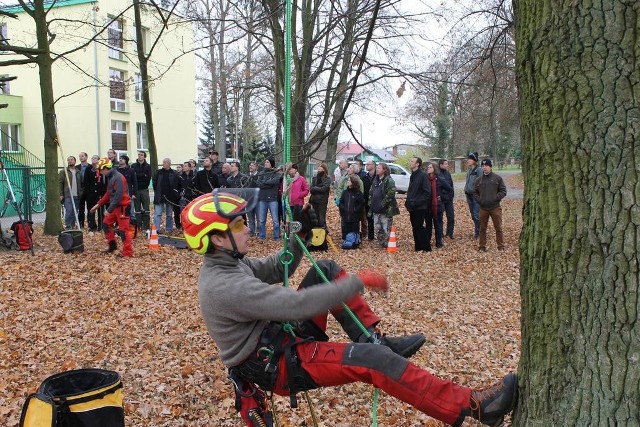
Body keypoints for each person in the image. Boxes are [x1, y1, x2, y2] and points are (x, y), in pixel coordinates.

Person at [181, 191, 518, 427]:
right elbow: (295, 303)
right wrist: (357, 281)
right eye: (238, 225)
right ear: (218, 238)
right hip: (278, 362)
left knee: (324, 268)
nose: (246, 229)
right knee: (374, 363)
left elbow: (273, 268)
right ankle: (474, 406)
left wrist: (296, 240)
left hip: (279, 340)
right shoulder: (224, 285)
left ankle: (374, 337)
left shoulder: (229, 263)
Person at [89, 158, 133, 257]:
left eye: (100, 170)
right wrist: (98, 205)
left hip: (123, 207)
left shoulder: (118, 178)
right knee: (105, 224)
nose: (100, 172)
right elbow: (109, 193)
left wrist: (108, 210)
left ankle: (128, 252)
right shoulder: (110, 177)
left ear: (106, 168)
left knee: (123, 230)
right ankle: (112, 245)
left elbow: (118, 196)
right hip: (115, 207)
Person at [473, 159, 507, 251]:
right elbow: (474, 193)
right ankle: (482, 247)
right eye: (483, 166)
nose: (484, 167)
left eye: (486, 165)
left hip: (495, 207)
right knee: (482, 229)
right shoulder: (478, 180)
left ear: (490, 167)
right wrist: (480, 200)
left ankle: (501, 246)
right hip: (483, 208)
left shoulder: (497, 178)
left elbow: (503, 191)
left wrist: (496, 198)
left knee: (498, 228)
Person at [368, 163, 400, 248]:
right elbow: (371, 192)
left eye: (379, 168)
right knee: (377, 228)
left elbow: (391, 193)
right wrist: (370, 203)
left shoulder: (389, 180)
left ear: (384, 170)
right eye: (377, 168)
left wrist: (382, 204)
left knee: (386, 228)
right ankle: (381, 243)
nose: (377, 169)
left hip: (386, 209)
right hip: (375, 209)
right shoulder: (375, 179)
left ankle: (388, 244)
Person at [405, 157, 431, 252]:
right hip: (412, 206)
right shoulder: (413, 175)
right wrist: (408, 202)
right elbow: (412, 190)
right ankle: (418, 247)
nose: (410, 162)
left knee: (419, 227)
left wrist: (417, 202)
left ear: (417, 164)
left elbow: (427, 192)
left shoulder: (423, 175)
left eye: (412, 161)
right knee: (415, 227)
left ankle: (426, 248)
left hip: (420, 206)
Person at [425, 162, 452, 249]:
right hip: (428, 206)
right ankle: (427, 242)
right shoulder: (426, 179)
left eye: (430, 167)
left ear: (434, 169)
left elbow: (450, 190)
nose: (428, 169)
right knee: (428, 225)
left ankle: (439, 242)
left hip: (437, 206)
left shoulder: (440, 179)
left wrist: (442, 197)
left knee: (438, 224)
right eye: (428, 167)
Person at [152, 158, 181, 233]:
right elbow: (154, 184)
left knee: (169, 214)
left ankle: (169, 229)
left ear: (169, 164)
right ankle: (156, 229)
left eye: (165, 162)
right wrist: (157, 192)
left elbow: (176, 185)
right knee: (157, 214)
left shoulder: (174, 173)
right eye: (163, 162)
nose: (163, 164)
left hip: (170, 197)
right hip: (159, 196)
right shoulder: (158, 172)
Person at [257, 157, 281, 240]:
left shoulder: (276, 173)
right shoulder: (261, 173)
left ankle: (276, 236)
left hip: (273, 199)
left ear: (271, 164)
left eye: (267, 162)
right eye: (265, 162)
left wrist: (265, 183)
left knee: (275, 220)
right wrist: (268, 184)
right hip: (262, 199)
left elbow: (275, 181)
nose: (265, 163)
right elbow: (259, 184)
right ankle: (262, 236)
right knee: (261, 220)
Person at [59, 155, 83, 229]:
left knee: (75, 211)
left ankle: (72, 225)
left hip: (77, 195)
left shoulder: (78, 172)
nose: (70, 161)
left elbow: (82, 183)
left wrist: (81, 193)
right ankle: (68, 225)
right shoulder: (64, 171)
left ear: (75, 161)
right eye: (68, 160)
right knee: (69, 210)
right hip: (68, 195)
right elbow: (60, 183)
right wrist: (61, 194)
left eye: (71, 159)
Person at [131, 151, 153, 232]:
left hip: (144, 189)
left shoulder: (148, 166)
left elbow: (147, 177)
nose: (140, 156)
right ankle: (139, 227)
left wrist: (139, 175)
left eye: (141, 155)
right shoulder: (133, 166)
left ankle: (146, 227)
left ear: (144, 157)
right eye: (139, 155)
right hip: (136, 190)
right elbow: (133, 177)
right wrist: (142, 175)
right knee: (137, 210)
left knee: (146, 209)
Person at [339, 175, 364, 240]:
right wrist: (343, 209)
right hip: (345, 216)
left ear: (353, 182)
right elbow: (341, 202)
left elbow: (361, 204)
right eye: (348, 180)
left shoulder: (358, 193)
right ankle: (345, 240)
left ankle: (355, 240)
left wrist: (355, 210)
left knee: (354, 231)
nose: (348, 181)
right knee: (345, 229)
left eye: (349, 180)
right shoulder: (345, 192)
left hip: (354, 217)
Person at [464, 152, 482, 239]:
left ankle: (479, 233)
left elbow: (481, 183)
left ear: (475, 160)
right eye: (468, 159)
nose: (468, 160)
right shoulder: (469, 170)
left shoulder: (479, 170)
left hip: (476, 196)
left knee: (476, 214)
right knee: (472, 214)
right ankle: (478, 230)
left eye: (470, 159)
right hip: (469, 195)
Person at [309, 162, 331, 227]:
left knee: (321, 218)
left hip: (322, 201)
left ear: (324, 169)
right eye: (318, 168)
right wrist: (318, 189)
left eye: (320, 168)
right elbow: (311, 189)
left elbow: (324, 189)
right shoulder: (314, 178)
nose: (318, 169)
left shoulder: (327, 179)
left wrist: (315, 188)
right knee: (315, 218)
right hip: (314, 200)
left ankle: (323, 231)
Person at [83, 155, 101, 232]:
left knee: (100, 211)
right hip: (90, 193)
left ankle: (101, 226)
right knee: (91, 210)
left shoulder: (101, 168)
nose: (93, 159)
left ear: (98, 160)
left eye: (95, 158)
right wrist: (88, 192)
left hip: (99, 193)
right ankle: (92, 226)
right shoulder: (88, 168)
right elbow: (86, 181)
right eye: (92, 158)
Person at [118, 155, 138, 223]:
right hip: (119, 192)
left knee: (131, 210)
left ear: (126, 161)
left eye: (122, 159)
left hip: (129, 192)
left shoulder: (131, 170)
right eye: (120, 158)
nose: (120, 160)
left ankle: (132, 226)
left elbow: (135, 182)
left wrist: (134, 193)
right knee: (119, 210)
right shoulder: (117, 170)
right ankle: (120, 226)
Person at [438, 159, 455, 239]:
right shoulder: (437, 174)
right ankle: (440, 234)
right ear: (441, 165)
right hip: (441, 199)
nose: (447, 165)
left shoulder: (448, 173)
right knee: (440, 218)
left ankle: (449, 233)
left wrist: (451, 196)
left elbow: (451, 186)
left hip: (449, 199)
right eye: (446, 164)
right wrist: (441, 196)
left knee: (451, 217)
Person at [357, 159, 373, 240]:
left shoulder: (364, 175)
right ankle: (368, 235)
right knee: (366, 217)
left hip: (370, 200)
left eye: (368, 164)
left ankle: (367, 233)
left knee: (367, 218)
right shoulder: (365, 176)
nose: (367, 166)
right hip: (363, 199)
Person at [246, 161, 260, 236]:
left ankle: (258, 231)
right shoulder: (246, 176)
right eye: (250, 165)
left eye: (253, 165)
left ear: (257, 167)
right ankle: (252, 231)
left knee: (259, 217)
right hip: (249, 200)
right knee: (250, 218)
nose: (250, 167)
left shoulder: (260, 176)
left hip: (258, 199)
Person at [77, 152, 90, 229]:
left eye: (82, 156)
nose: (81, 157)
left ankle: (90, 224)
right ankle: (81, 224)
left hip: (88, 190)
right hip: (80, 190)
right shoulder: (77, 167)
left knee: (89, 208)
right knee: (81, 209)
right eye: (80, 156)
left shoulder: (91, 166)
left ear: (86, 157)